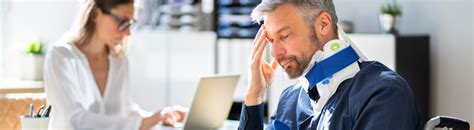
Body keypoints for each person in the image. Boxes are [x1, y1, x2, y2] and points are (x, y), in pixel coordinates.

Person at [238, 0, 422, 129]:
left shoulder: (383, 93)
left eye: (284, 36)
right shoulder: (290, 100)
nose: (276, 53)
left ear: (323, 24)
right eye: (271, 41)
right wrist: (255, 94)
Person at [44, 0, 185, 129]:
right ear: (96, 14)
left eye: (130, 23)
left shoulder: (119, 60)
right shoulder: (61, 56)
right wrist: (143, 123)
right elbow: (76, 120)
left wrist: (160, 117)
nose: (128, 32)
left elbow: (127, 112)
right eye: (122, 21)